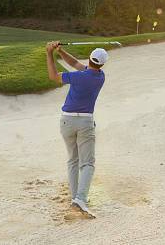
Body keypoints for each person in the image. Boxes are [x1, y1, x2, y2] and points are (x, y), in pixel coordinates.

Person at [45, 41, 108, 218]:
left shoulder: (78, 77)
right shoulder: (100, 77)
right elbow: (74, 64)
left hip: (66, 122)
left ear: (89, 59)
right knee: (87, 163)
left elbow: (53, 75)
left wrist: (49, 53)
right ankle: (80, 199)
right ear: (101, 64)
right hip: (85, 123)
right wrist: (60, 51)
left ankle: (76, 197)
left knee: (73, 160)